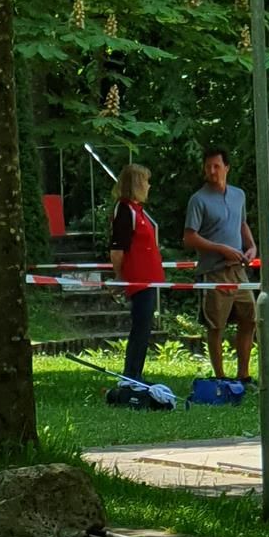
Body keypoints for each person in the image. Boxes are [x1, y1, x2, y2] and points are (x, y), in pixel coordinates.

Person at [183, 146, 257, 386]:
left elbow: (242, 223)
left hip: (238, 270)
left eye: (216, 166)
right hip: (214, 271)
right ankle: (220, 377)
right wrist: (220, 248)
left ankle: (243, 375)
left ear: (227, 168)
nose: (212, 171)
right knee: (216, 325)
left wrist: (251, 246)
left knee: (250, 318)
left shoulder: (238, 195)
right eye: (208, 167)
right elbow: (189, 237)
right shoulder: (198, 199)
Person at [109, 162, 165, 382]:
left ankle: (135, 374)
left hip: (148, 279)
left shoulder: (137, 210)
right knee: (140, 328)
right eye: (146, 181)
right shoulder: (125, 210)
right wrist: (120, 276)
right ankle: (131, 376)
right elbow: (117, 249)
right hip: (137, 280)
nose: (149, 186)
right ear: (137, 184)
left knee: (144, 328)